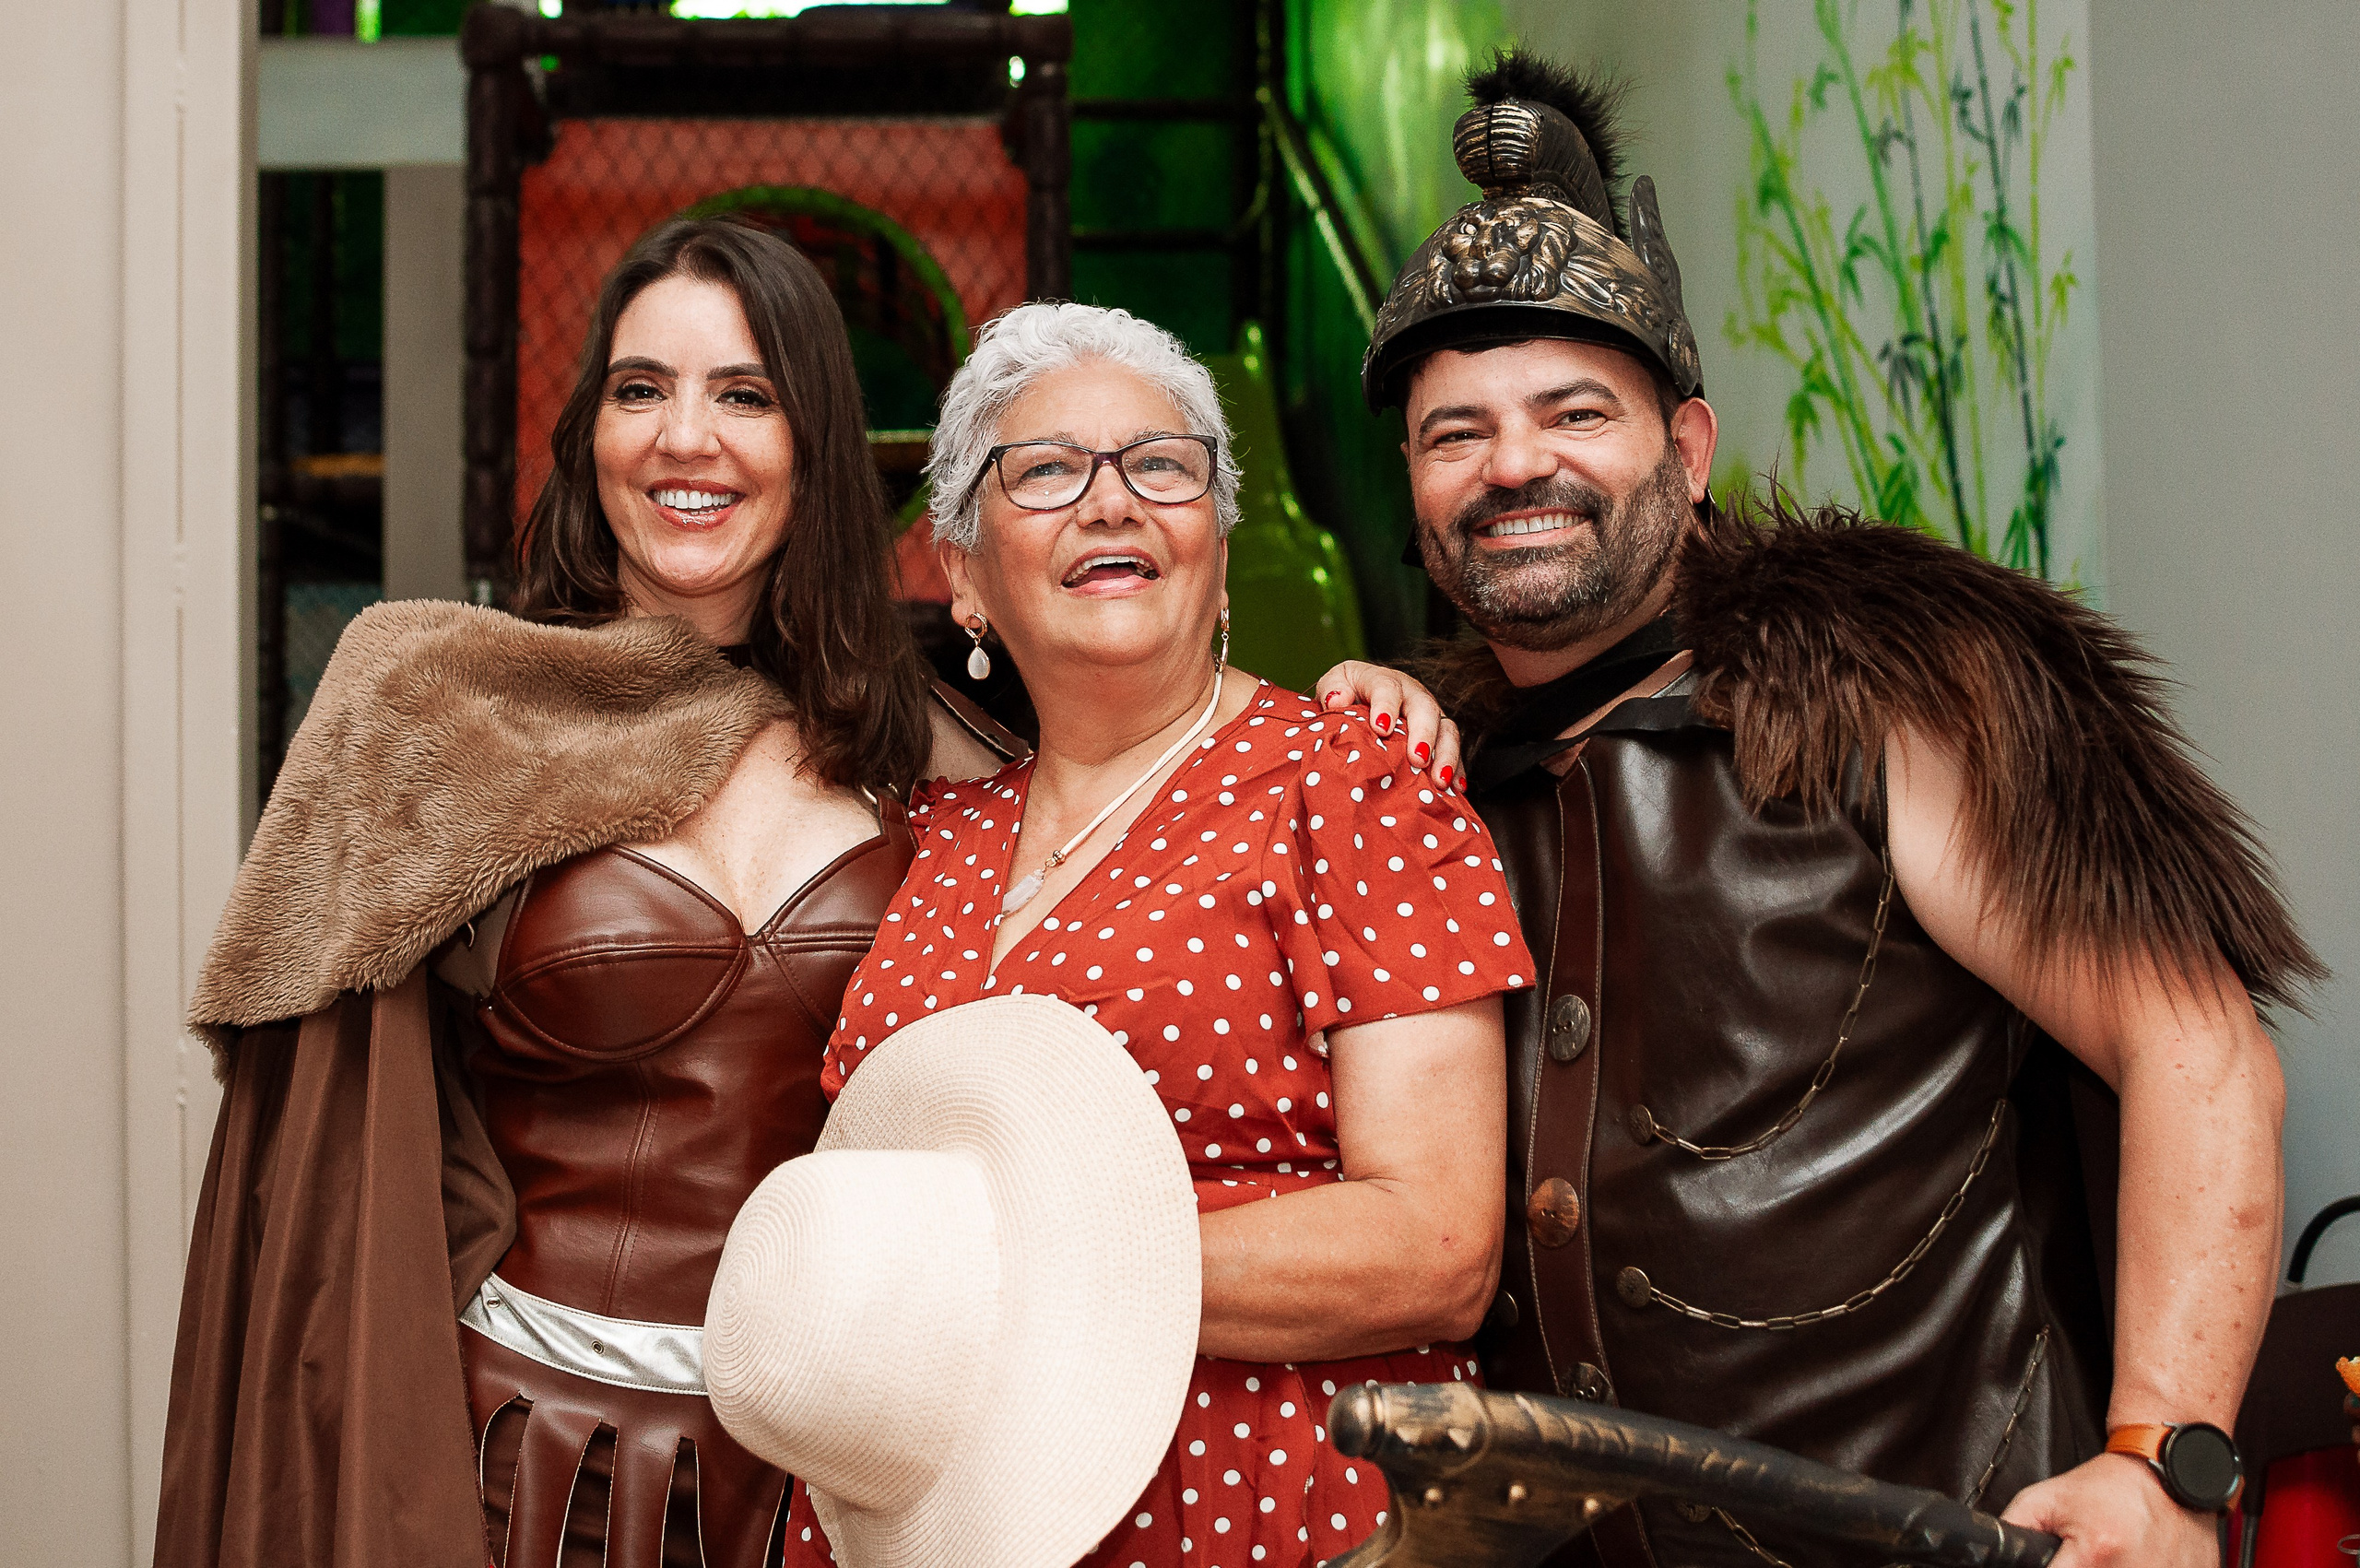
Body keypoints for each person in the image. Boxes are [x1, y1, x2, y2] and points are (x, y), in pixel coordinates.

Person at [155, 220, 1455, 1568]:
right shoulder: (445, 709)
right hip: (519, 1463)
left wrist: (1369, 702)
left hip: (841, 1465)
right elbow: (323, 1195)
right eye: (640, 389)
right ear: (588, 436)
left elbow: (1140, 763)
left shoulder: (929, 763)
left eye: (745, 393)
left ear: (814, 445)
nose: (687, 439)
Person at [1319, 51, 2322, 1568]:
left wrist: (2161, 1463)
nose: (1515, 464)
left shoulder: (1883, 693)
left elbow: (2198, 1051)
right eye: (1456, 432)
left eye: (1574, 411)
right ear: (1410, 481)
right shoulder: (1425, 776)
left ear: (1688, 450)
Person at [776, 301, 1536, 1568]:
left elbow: (1439, 1247)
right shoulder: (930, 835)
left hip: (1248, 1498)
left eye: (1162, 465)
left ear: (1219, 552)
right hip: (936, 1515)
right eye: (1047, 470)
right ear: (964, 573)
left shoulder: (1351, 785)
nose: (1112, 502)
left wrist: (1009, 1271)